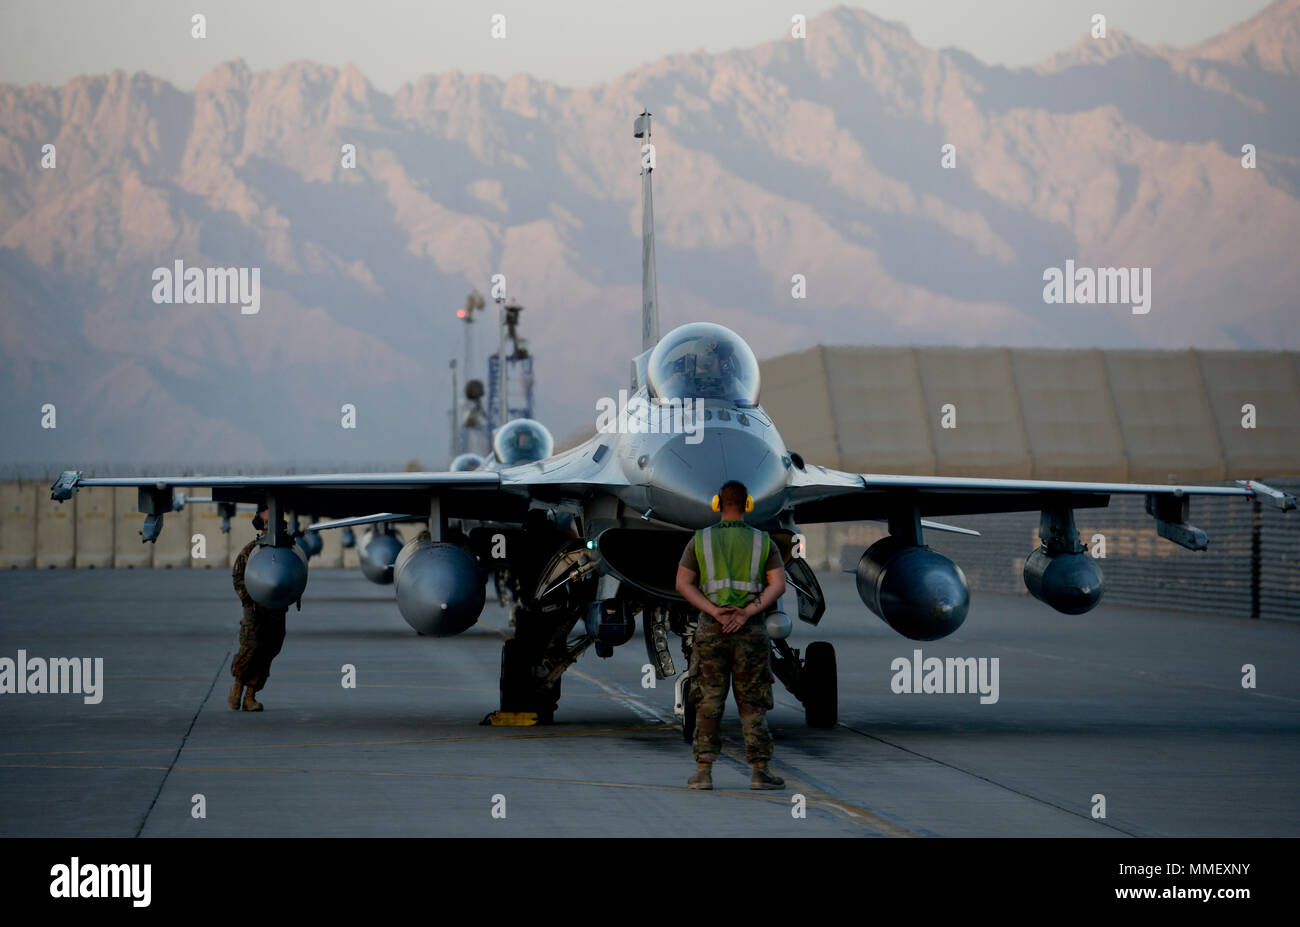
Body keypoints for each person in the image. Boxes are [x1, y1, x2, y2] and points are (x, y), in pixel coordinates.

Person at [675, 480, 787, 790]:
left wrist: (714, 611)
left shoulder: (701, 540)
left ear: (717, 503)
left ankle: (703, 773)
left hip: (712, 629)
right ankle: (759, 771)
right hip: (749, 630)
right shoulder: (763, 541)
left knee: (708, 701)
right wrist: (747, 612)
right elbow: (778, 584)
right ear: (748, 504)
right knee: (753, 702)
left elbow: (683, 584)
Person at [228, 506, 291, 712]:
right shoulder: (251, 551)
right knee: (251, 647)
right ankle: (237, 686)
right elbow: (238, 576)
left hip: (276, 609)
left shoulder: (287, 551)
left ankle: (250, 695)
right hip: (255, 608)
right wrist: (248, 600)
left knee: (270, 649)